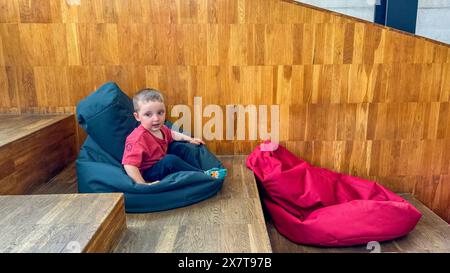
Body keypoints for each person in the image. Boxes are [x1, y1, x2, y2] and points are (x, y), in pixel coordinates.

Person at [122, 88, 227, 185]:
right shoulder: (137, 138)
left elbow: (172, 134)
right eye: (148, 114)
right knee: (170, 160)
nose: (156, 118)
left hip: (161, 163)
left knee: (182, 148)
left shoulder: (161, 128)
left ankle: (198, 172)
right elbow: (129, 165)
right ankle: (202, 175)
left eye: (160, 113)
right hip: (149, 173)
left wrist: (190, 139)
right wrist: (142, 184)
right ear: (137, 116)